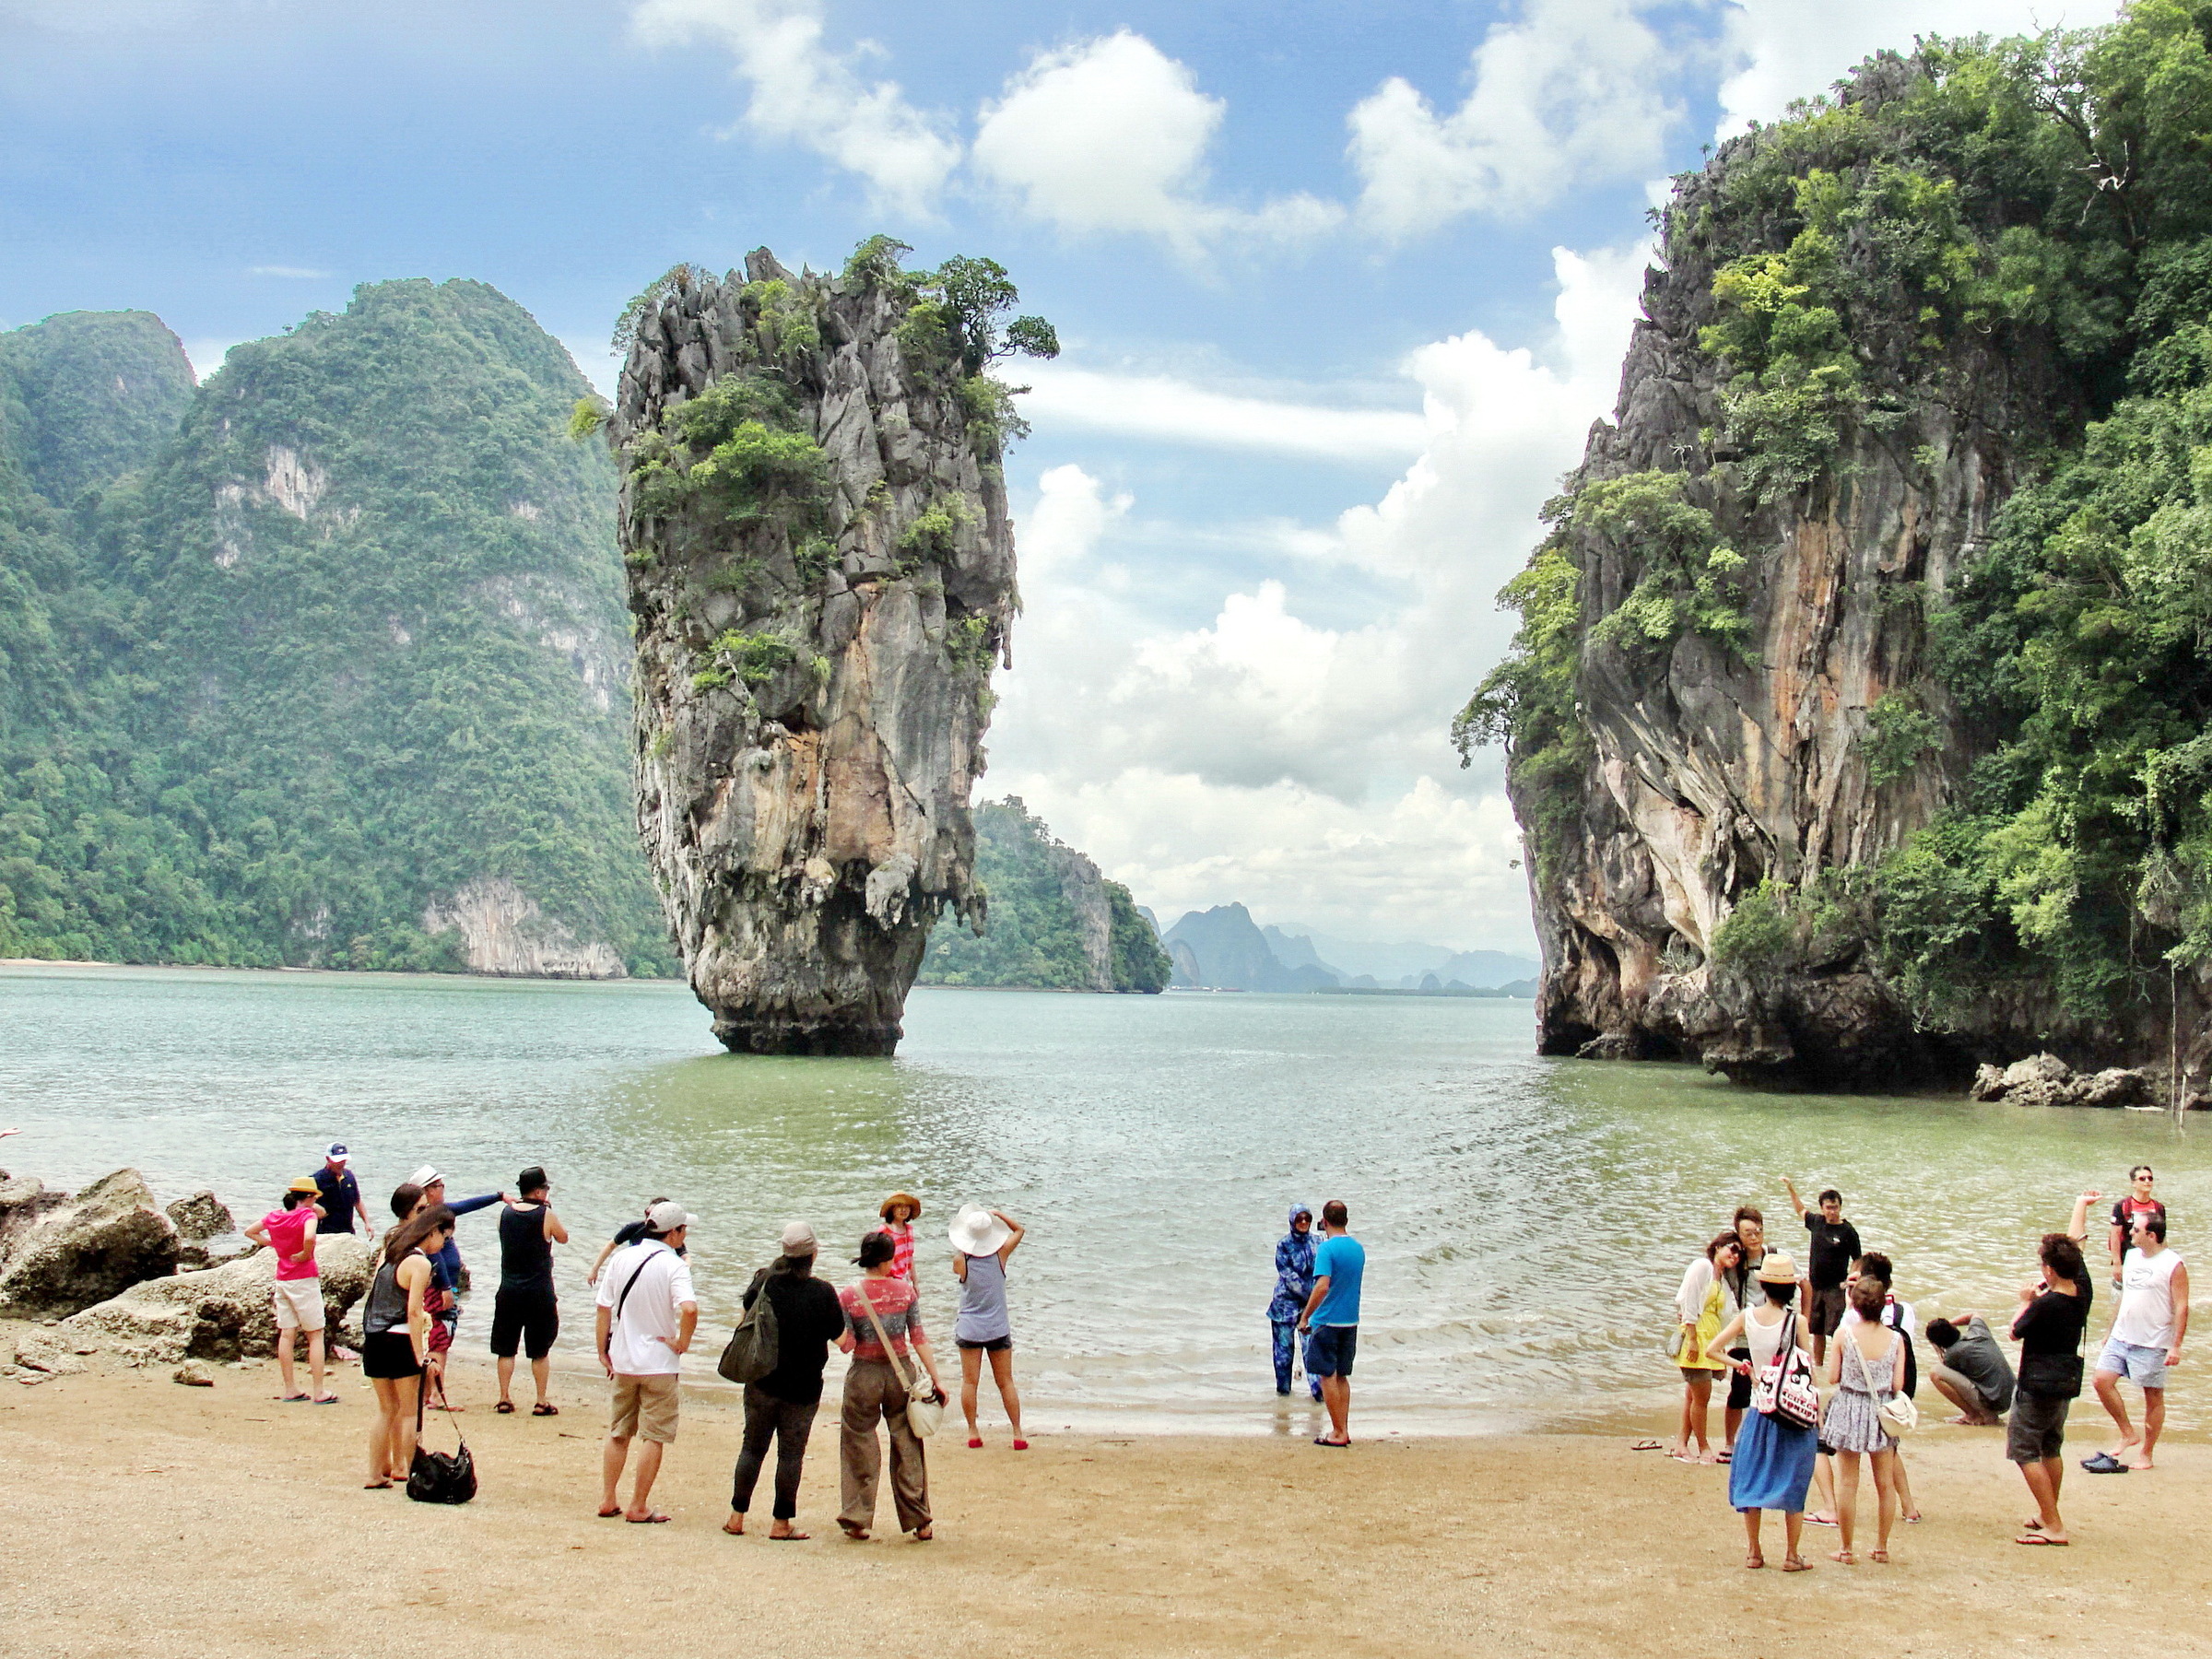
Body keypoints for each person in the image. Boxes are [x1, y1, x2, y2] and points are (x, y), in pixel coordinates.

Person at [724, 1220, 847, 1541]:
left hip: (762, 1381)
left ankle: (736, 1517)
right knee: (790, 1455)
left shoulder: (763, 1283)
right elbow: (844, 1341)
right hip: (804, 1388)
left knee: (751, 1448)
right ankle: (781, 1524)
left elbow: (744, 1326)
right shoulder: (822, 1292)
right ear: (813, 1254)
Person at [1708, 1251, 1817, 1571]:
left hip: (1760, 1407)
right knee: (1794, 1480)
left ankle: (1754, 1552)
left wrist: (1745, 1367)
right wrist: (1818, 1415)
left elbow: (1713, 1350)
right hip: (1791, 1410)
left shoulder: (1748, 1317)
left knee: (1750, 1476)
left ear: (1763, 1285)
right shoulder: (1798, 1322)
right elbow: (1807, 1369)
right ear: (1792, 1289)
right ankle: (1792, 1555)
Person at [836, 1229, 946, 1542]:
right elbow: (919, 1338)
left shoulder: (848, 1295)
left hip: (863, 1375)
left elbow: (848, 1343)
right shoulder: (905, 1292)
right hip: (902, 1375)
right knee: (908, 1442)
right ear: (888, 1260)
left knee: (858, 1440)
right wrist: (936, 1380)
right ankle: (919, 1519)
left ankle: (857, 1518)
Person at [594, 1200, 697, 1524]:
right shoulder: (674, 1265)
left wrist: (602, 1351)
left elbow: (603, 1308)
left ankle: (608, 1499)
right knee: (654, 1435)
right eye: (683, 1229)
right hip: (659, 1363)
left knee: (619, 1431)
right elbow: (689, 1309)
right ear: (675, 1233)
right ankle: (638, 1505)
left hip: (623, 1359)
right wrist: (682, 1343)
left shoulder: (622, 1257)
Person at [2084, 1209, 2188, 1473]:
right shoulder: (2130, 1256)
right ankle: (2128, 1432)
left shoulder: (2173, 1264)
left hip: (2153, 1341)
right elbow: (2122, 1297)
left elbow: (2182, 1306)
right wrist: (2109, 1330)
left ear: (2151, 1235)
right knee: (2101, 1381)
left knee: (2152, 1397)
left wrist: (2176, 1345)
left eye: (2136, 1230)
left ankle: (2147, 1453)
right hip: (2122, 1335)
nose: (2130, 1233)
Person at [402, 1167, 509, 1408]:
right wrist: (446, 1287)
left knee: (440, 1338)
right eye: (439, 1186)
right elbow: (435, 1254)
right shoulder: (430, 1219)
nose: (443, 1189)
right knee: (440, 1340)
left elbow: (466, 1205)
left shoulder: (440, 1212)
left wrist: (498, 1196)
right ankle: (436, 1396)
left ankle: (429, 1394)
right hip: (440, 1287)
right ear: (427, 1191)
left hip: (444, 1285)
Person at [2011, 1230, 2092, 1546]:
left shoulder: (2047, 1305)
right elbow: (2078, 1260)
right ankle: (2048, 1513)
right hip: (2064, 1383)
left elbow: (2015, 1332)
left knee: (2025, 1452)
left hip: (2037, 1385)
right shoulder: (2081, 1295)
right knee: (2051, 1447)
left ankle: (2054, 1525)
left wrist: (2026, 1301)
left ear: (2050, 1270)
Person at [361, 1205, 451, 1488]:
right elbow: (414, 1311)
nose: (443, 1244)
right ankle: (412, 1472)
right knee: (409, 1410)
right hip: (399, 1338)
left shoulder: (392, 1254)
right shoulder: (420, 1264)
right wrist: (420, 1354)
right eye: (444, 1237)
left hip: (375, 1337)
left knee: (386, 1409)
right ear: (433, 1231)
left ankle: (376, 1473)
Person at [1820, 1277, 1903, 1565]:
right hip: (1880, 1408)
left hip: (1849, 1406)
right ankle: (1881, 1547)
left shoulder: (1845, 1335)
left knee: (1847, 1482)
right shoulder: (1896, 1339)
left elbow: (1833, 1377)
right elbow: (1898, 1382)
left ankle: (1846, 1548)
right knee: (1884, 1482)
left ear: (1854, 1304)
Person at [244, 1176, 335, 1406]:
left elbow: (250, 1231)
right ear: (309, 1197)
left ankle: (290, 1388)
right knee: (315, 1334)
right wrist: (305, 1254)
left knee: (287, 1332)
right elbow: (309, 1237)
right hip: (304, 1277)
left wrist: (273, 1244)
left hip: (283, 1277)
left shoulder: (275, 1217)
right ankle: (319, 1390)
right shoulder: (307, 1216)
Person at [491, 1166, 568, 1417]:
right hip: (538, 1291)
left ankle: (504, 1397)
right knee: (539, 1350)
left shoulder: (505, 1213)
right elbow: (563, 1237)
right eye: (546, 1188)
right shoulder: (545, 1214)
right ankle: (541, 1400)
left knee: (506, 1348)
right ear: (538, 1191)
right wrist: (550, 1210)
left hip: (509, 1289)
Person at [950, 1204, 1027, 1450]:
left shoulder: (960, 1260)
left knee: (969, 1382)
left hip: (970, 1328)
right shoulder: (1001, 1255)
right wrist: (999, 1215)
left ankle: (973, 1431)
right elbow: (1019, 1230)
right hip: (997, 1327)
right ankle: (1017, 1433)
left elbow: (961, 1256)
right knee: (1006, 1381)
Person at [1298, 1198, 1364, 1449]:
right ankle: (1343, 1428)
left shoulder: (1327, 1249)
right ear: (1345, 1220)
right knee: (1342, 1377)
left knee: (1327, 1376)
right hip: (1350, 1320)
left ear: (1324, 1222)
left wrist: (1305, 1316)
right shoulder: (1358, 1248)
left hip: (1327, 1321)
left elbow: (1322, 1286)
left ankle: (1337, 1431)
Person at [1673, 1232, 1742, 1463]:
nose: (1735, 1255)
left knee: (1693, 1396)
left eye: (1738, 1253)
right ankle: (1703, 1447)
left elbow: (1723, 1315)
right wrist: (1691, 1337)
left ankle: (1681, 1445)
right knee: (1701, 1397)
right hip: (1697, 1337)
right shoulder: (1702, 1266)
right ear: (1718, 1247)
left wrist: (1721, 1349)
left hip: (1711, 1340)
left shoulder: (1722, 1278)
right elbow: (1687, 1299)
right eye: (1731, 1249)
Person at [1784, 1179, 1861, 1366]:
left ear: (1840, 1207)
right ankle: (1818, 1366)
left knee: (1836, 1330)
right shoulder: (1816, 1222)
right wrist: (1790, 1188)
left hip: (1836, 1289)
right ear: (1822, 1208)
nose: (1832, 1211)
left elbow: (1858, 1259)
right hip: (1815, 1287)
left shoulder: (1848, 1231)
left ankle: (1839, 1365)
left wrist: (1851, 1281)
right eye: (1828, 1207)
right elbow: (1800, 1210)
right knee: (1817, 1330)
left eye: (1835, 1207)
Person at [1269, 1204, 1323, 1403]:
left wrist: (1317, 1298)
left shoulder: (1319, 1242)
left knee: (1313, 1352)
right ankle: (1283, 1400)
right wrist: (1310, 1294)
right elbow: (1287, 1275)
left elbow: (1324, 1272)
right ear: (1292, 1220)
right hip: (1284, 1306)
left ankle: (1319, 1397)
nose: (1303, 1223)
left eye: (1306, 1219)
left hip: (1311, 1306)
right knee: (1283, 1354)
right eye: (1299, 1219)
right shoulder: (1284, 1245)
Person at [1925, 1313, 2016, 1425]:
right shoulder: (1979, 1333)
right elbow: (1974, 1314)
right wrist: (1948, 1324)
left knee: (1935, 1373)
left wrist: (1938, 1350)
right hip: (2012, 1397)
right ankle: (1983, 1413)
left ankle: (1974, 1415)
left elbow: (1944, 1366)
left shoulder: (1952, 1354)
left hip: (1994, 1402)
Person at [587, 1197, 675, 1286]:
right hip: (631, 1273)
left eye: (652, 1214)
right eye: (647, 1213)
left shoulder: (671, 1235)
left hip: (654, 1278)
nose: (649, 1218)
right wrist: (594, 1270)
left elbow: (684, 1256)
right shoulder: (634, 1228)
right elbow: (610, 1246)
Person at [2107, 1166, 2166, 1289]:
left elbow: (2162, 1238)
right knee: (2121, 1297)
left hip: (2152, 1259)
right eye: (2142, 1178)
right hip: (2127, 1259)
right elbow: (2115, 1236)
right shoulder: (2122, 1206)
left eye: (2150, 1178)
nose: (2147, 1181)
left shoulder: (2158, 1207)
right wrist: (2117, 1264)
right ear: (2133, 1183)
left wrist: (2165, 1260)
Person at [312, 1144, 364, 1238]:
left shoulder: (349, 1176)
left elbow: (357, 1201)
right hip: (324, 1233)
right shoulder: (316, 1180)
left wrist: (367, 1223)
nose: (341, 1164)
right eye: (338, 1161)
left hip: (347, 1231)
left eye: (343, 1160)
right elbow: (302, 1205)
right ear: (328, 1159)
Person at [875, 1193, 922, 1281]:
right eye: (899, 1206)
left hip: (905, 1279)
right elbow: (878, 1260)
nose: (903, 1210)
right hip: (889, 1280)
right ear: (892, 1209)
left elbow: (910, 1259)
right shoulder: (884, 1230)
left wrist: (915, 1282)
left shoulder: (909, 1230)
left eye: (907, 1206)